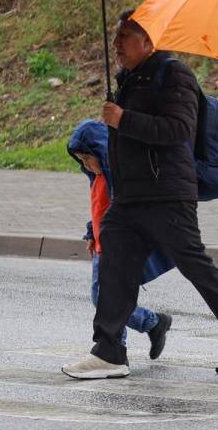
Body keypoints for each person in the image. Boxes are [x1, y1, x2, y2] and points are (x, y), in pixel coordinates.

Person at [62, 10, 218, 379]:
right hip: (130, 197)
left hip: (166, 193)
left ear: (148, 41)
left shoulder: (174, 74)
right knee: (114, 266)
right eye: (116, 36)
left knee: (194, 264)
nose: (116, 45)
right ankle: (109, 351)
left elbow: (178, 130)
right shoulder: (130, 78)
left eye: (124, 36)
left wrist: (123, 119)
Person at [67, 119, 171, 360]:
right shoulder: (97, 177)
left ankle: (121, 344)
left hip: (117, 247)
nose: (86, 164)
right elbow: (98, 210)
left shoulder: (116, 177)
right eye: (81, 160)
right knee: (106, 298)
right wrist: (91, 233)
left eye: (88, 158)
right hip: (102, 246)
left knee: (107, 298)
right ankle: (150, 325)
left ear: (101, 151)